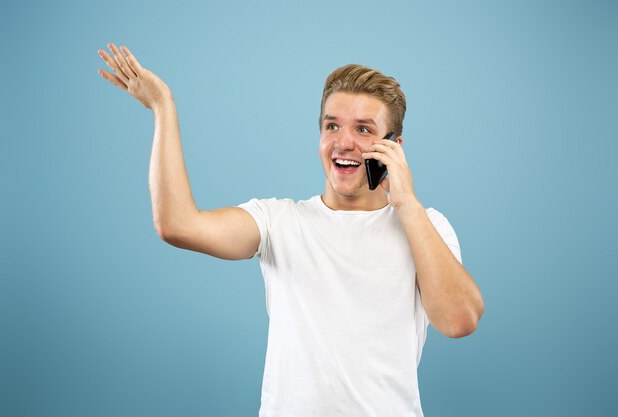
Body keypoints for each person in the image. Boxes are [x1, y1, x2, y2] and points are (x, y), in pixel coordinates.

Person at [97, 42, 485, 417]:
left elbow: (459, 320)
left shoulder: (427, 225)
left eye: (364, 130)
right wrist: (162, 106)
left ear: (394, 147)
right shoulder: (277, 222)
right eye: (332, 125)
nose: (344, 142)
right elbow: (177, 225)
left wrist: (406, 203)